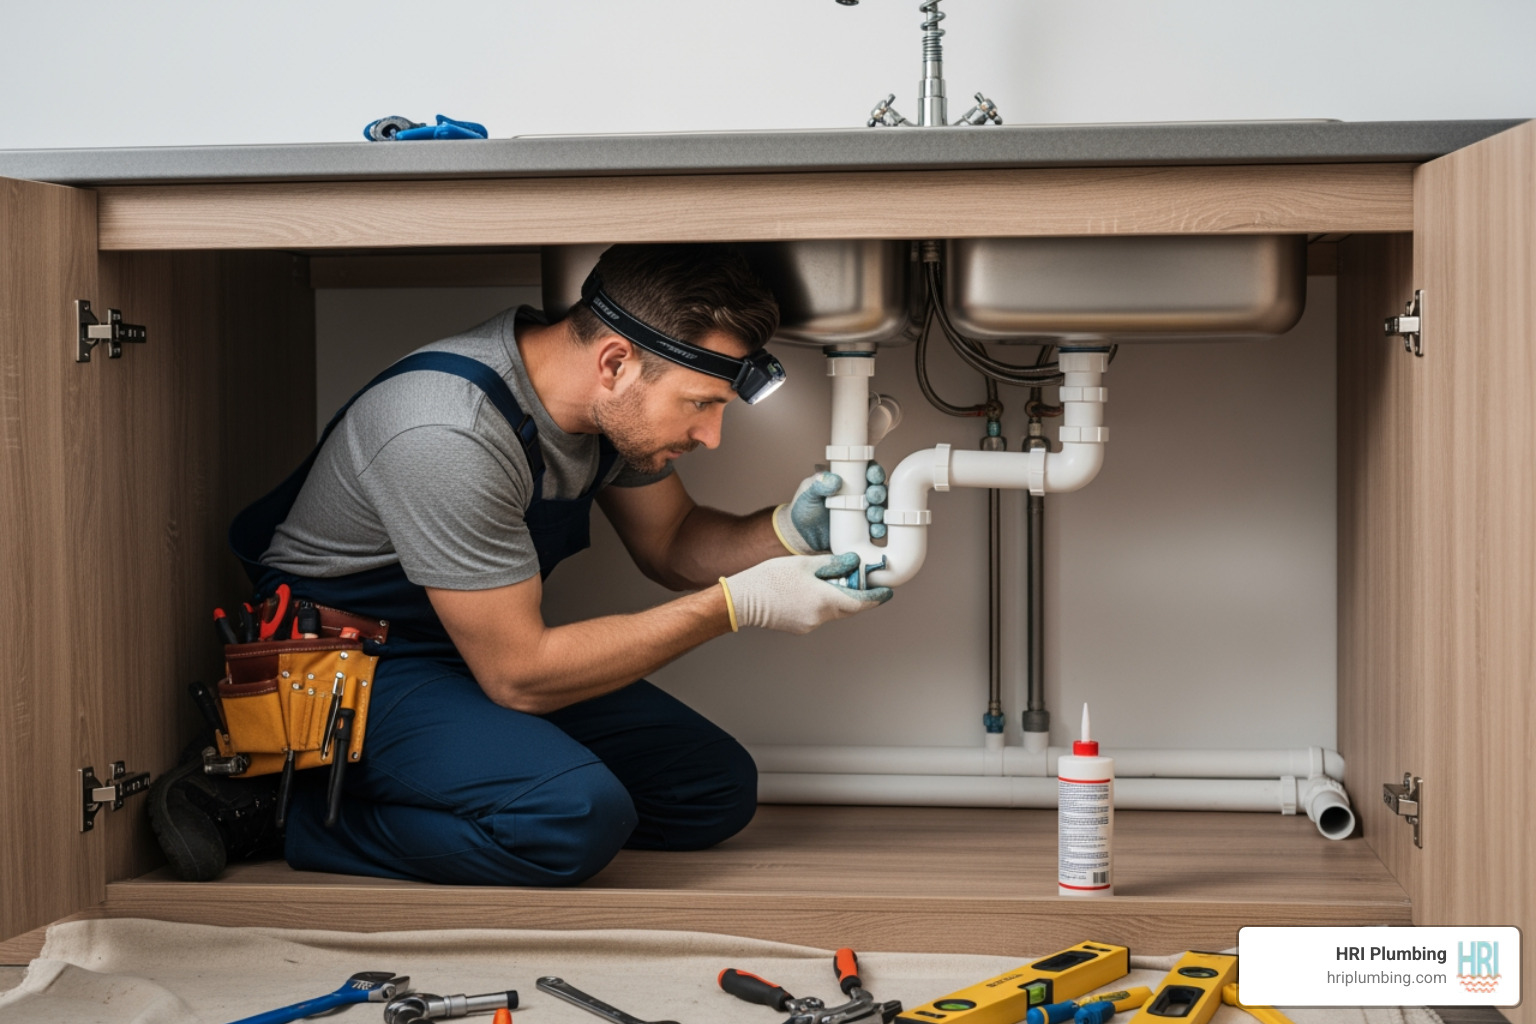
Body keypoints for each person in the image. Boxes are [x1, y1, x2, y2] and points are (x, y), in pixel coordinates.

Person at [147, 243, 893, 885]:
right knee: (572, 818)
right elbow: (521, 675)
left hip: (461, 650)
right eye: (700, 404)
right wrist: (738, 604)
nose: (712, 436)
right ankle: (285, 807)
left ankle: (451, 791)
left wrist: (788, 533)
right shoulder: (448, 431)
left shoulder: (603, 413)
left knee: (711, 789)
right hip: (347, 667)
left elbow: (676, 544)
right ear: (615, 363)